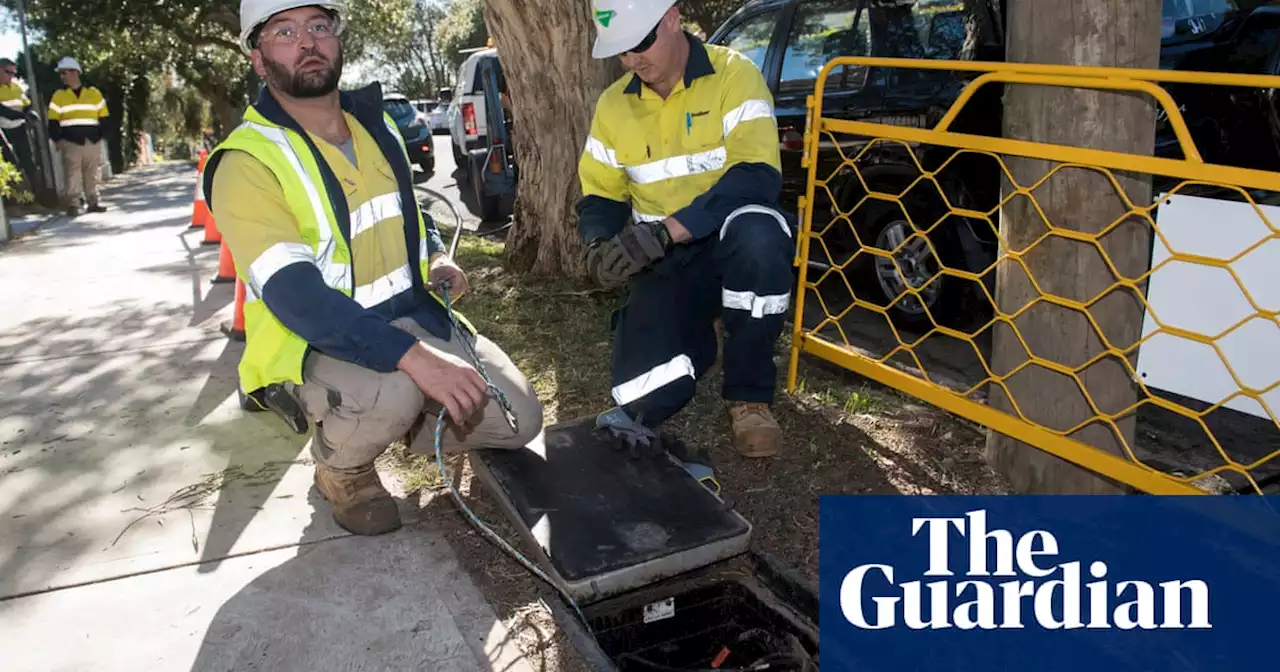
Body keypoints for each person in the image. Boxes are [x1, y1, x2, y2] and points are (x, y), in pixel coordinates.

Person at [205, 0, 543, 536]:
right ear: (258, 58)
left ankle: (401, 417)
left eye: (319, 26)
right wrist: (417, 362)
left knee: (521, 419)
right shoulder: (247, 162)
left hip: (410, 311)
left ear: (337, 39)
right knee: (394, 387)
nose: (307, 42)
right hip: (317, 342)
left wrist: (434, 253)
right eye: (285, 31)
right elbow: (298, 298)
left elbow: (407, 212)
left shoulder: (376, 121)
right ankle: (343, 468)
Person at [577, 0, 794, 459]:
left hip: (730, 240)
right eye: (621, 51)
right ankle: (696, 337)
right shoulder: (613, 106)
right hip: (666, 258)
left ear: (672, 18)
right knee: (637, 397)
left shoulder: (734, 75)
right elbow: (601, 194)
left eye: (640, 43)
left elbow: (756, 174)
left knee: (761, 239)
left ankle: (750, 397)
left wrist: (666, 230)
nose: (633, 60)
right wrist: (597, 243)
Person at [47, 56, 110, 215]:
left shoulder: (94, 93)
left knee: (92, 172)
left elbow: (104, 117)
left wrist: (101, 136)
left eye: (64, 73)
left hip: (92, 140)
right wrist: (58, 139)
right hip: (71, 141)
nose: (62, 76)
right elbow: (53, 121)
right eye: (61, 73)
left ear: (75, 72)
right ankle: (74, 204)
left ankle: (93, 202)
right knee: (72, 173)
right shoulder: (59, 96)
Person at [0, 58, 39, 194]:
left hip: (20, 129)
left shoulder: (17, 87)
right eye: (8, 72)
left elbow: (26, 104)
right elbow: (3, 111)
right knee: (10, 163)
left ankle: (33, 195)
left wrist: (30, 112)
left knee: (28, 161)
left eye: (13, 73)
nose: (11, 75)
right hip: (3, 131)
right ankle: (13, 198)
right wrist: (24, 116)